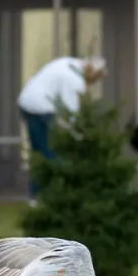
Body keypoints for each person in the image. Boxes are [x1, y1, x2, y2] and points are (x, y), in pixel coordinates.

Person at [17, 55, 107, 204]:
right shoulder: (74, 81)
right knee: (50, 153)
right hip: (42, 108)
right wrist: (79, 134)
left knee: (38, 152)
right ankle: (52, 196)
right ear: (91, 72)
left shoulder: (68, 62)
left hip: (26, 103)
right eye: (95, 79)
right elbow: (71, 112)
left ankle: (35, 197)